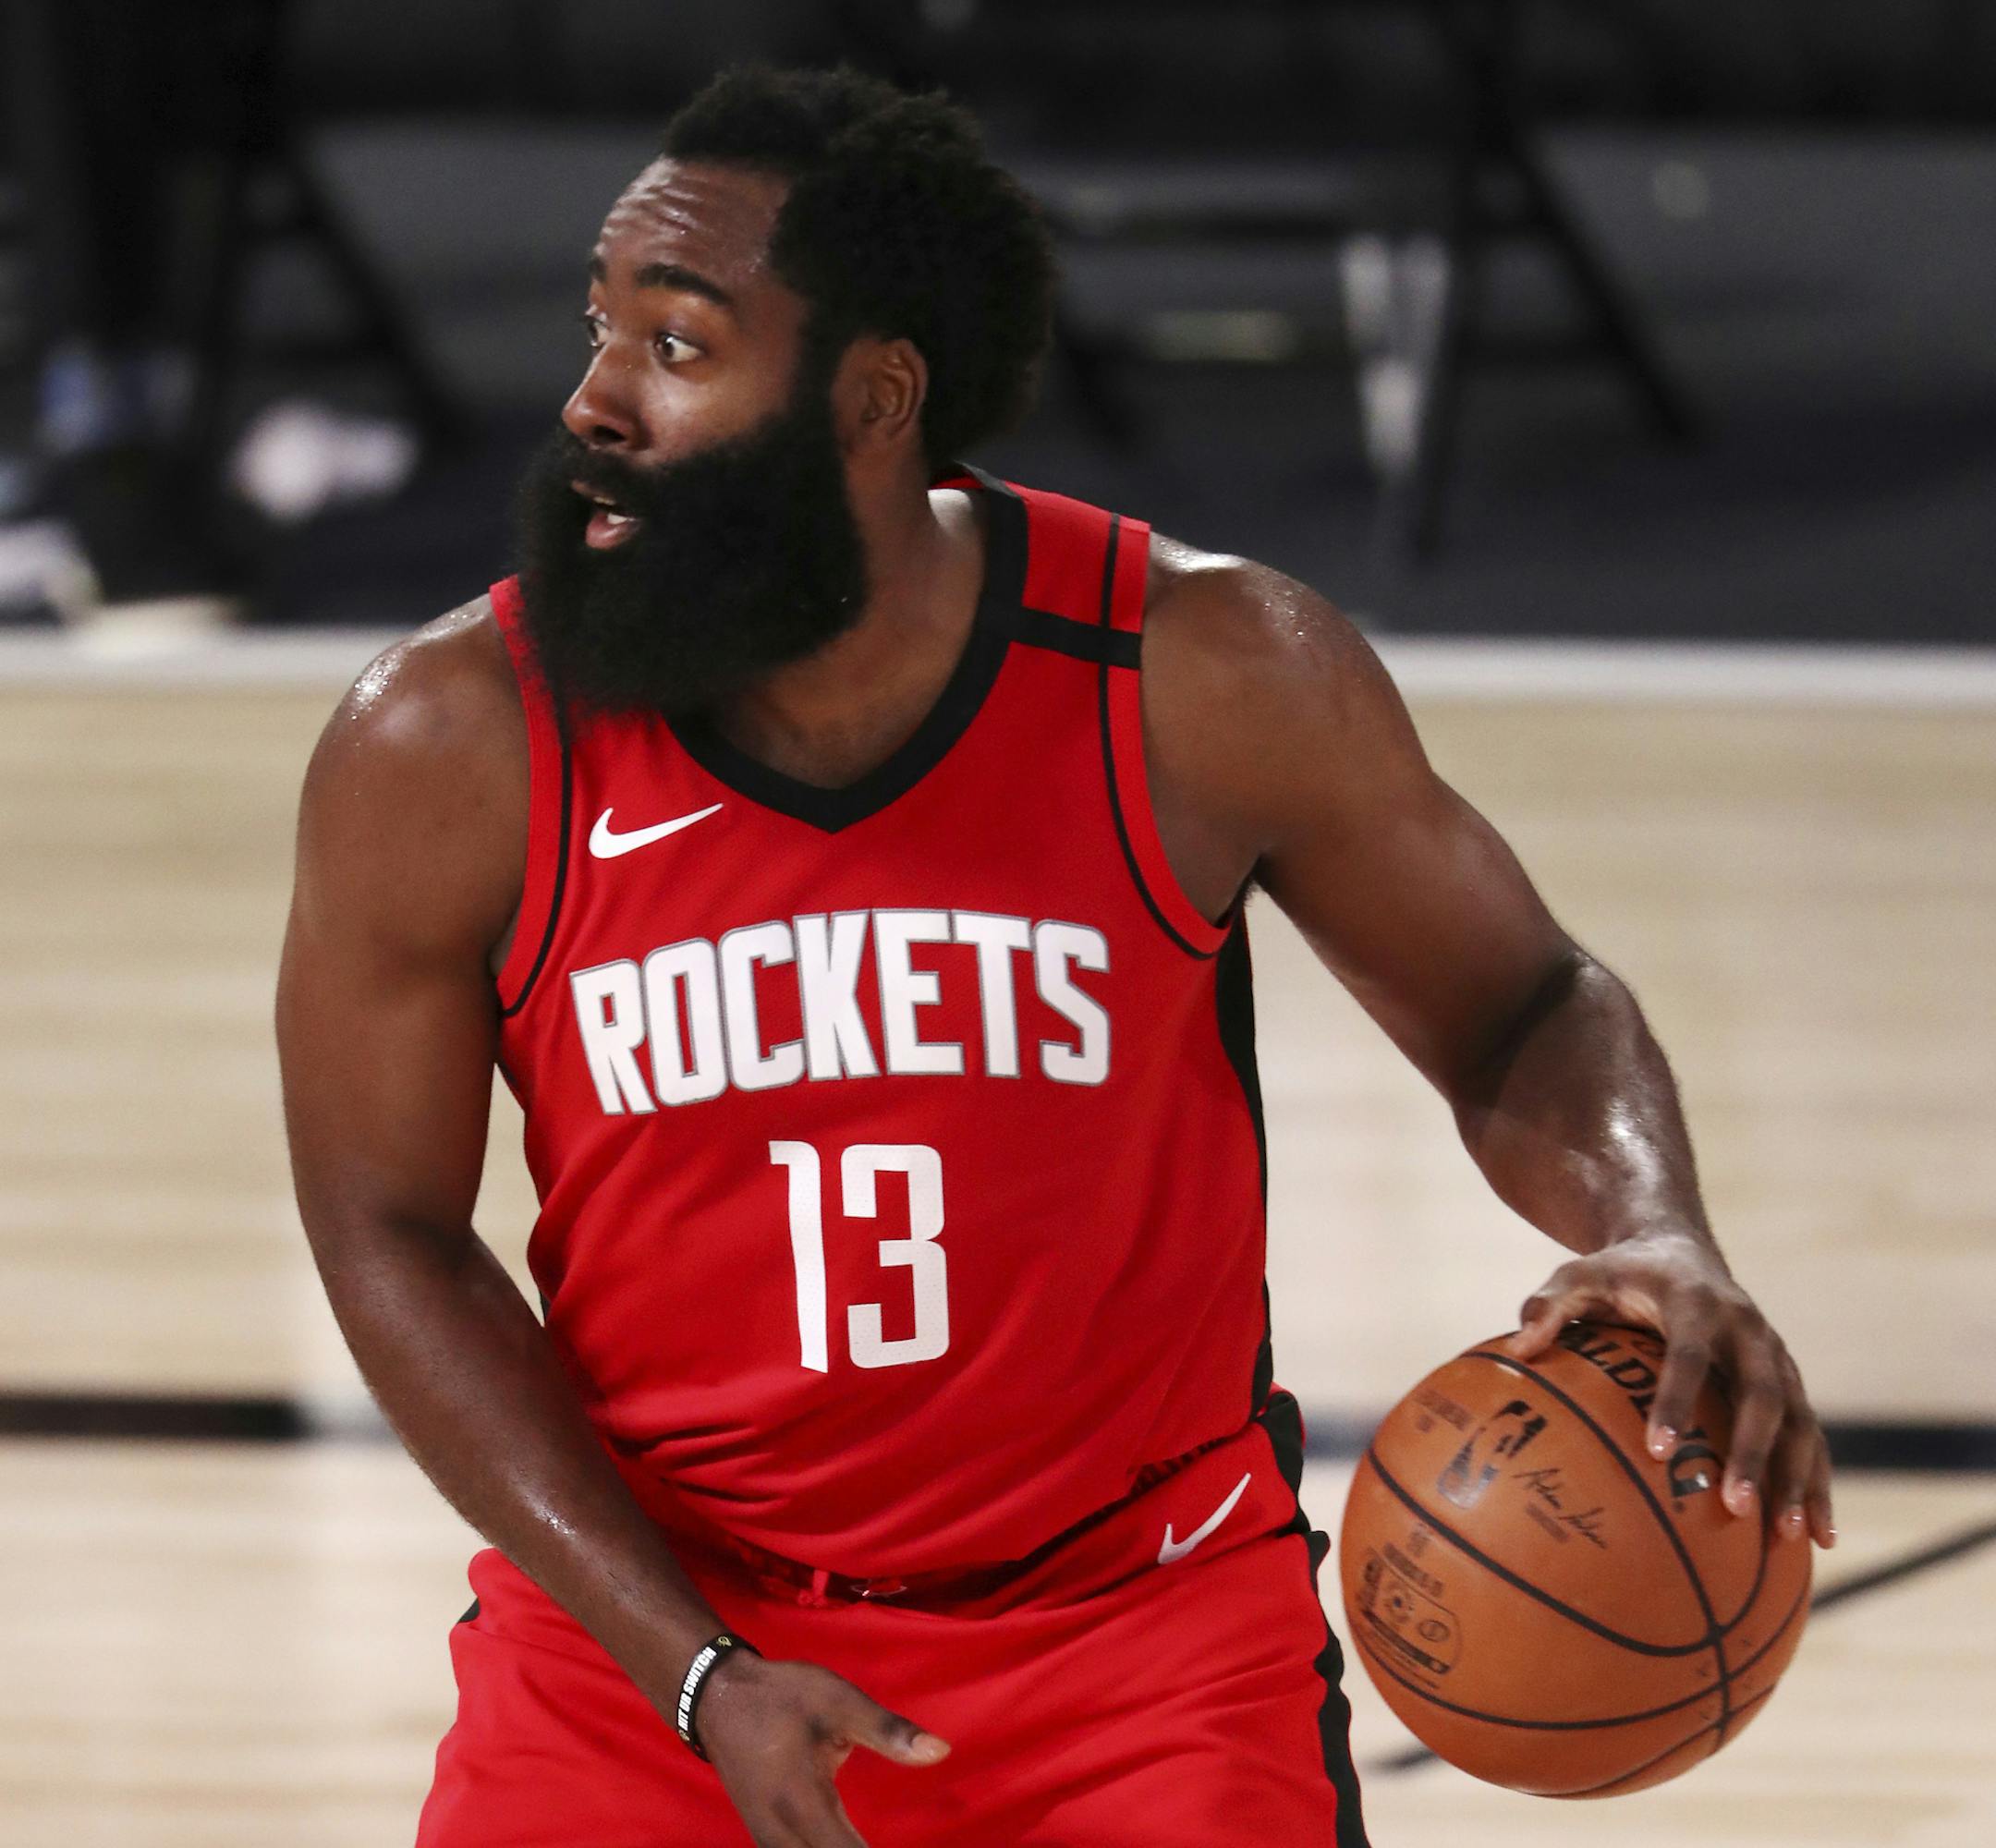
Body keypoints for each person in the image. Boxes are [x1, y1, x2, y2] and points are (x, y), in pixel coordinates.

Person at [275, 66, 1834, 1848]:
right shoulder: (454, 742)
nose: (593, 402)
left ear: (872, 401)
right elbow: (383, 1222)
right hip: (660, 1642)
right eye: (601, 327)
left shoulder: (1201, 670)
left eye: (681, 347)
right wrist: (691, 1665)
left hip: (1143, 1638)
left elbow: (1522, 1002)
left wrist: (1652, 1222)